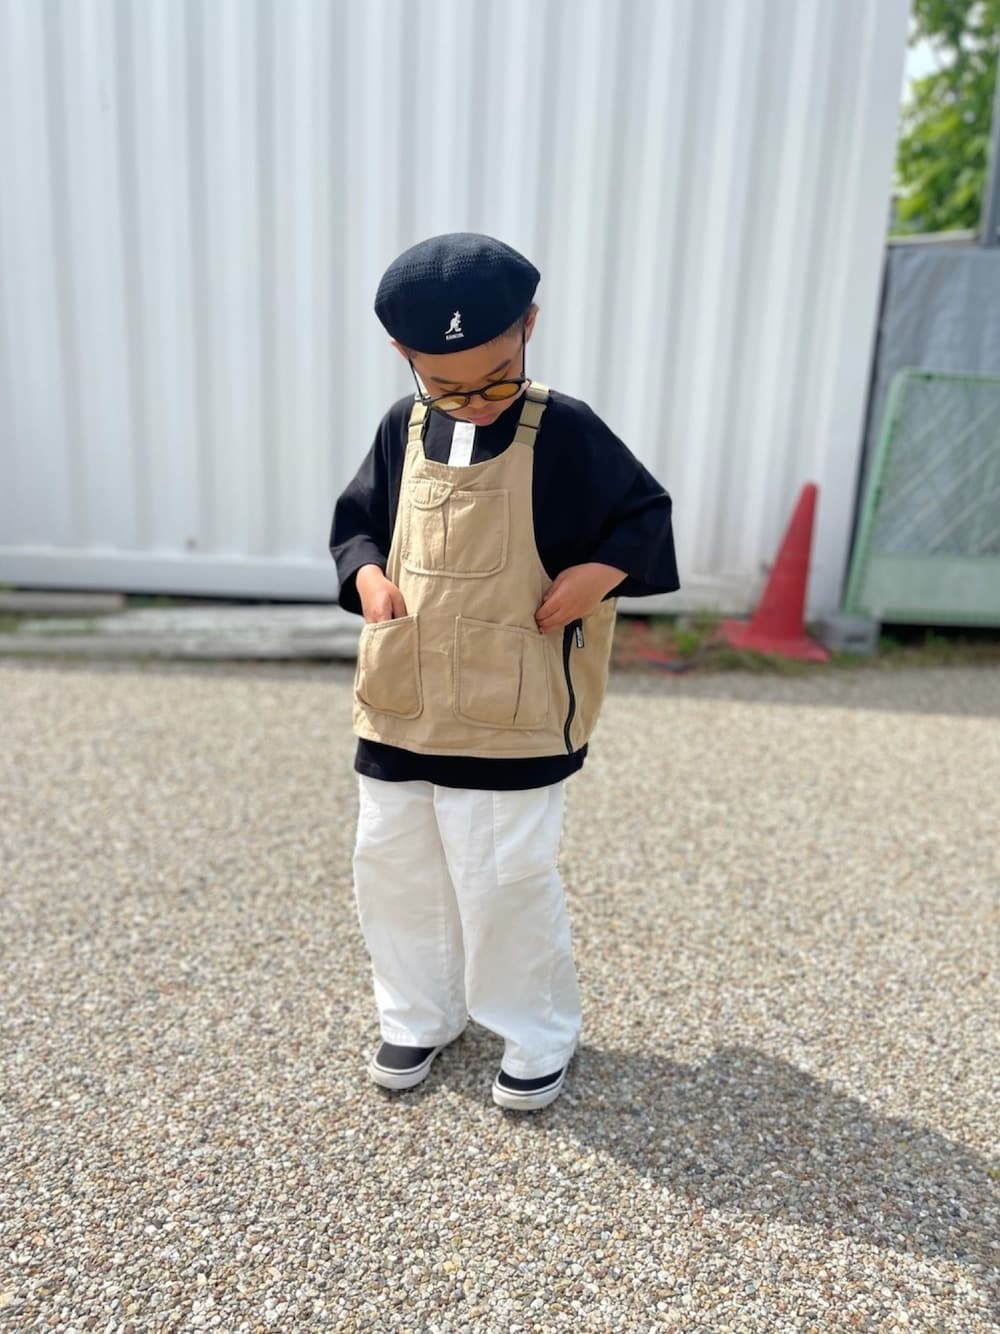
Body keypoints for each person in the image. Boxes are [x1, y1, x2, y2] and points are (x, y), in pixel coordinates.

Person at [330, 232, 679, 1111]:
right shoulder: (402, 428)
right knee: (393, 863)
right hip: (404, 699)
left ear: (530, 326)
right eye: (448, 387)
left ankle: (535, 1029)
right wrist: (366, 576)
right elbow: (357, 523)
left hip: (512, 707)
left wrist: (599, 575)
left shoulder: (564, 429)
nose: (477, 403)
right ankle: (419, 1012)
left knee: (504, 877)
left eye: (496, 379)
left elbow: (643, 515)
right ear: (404, 357)